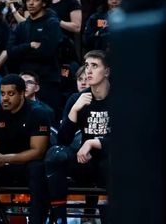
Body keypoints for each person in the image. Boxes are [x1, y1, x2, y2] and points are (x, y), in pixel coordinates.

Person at [0, 74, 51, 224]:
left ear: (22, 94)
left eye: (11, 94)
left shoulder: (38, 113)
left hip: (27, 164)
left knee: (38, 168)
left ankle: (36, 221)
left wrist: (5, 158)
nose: (5, 98)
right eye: (2, 94)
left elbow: (38, 151)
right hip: (3, 164)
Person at [46, 50, 111, 224]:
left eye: (94, 66)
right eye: (87, 65)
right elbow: (63, 141)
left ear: (107, 72)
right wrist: (74, 110)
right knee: (55, 154)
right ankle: (60, 220)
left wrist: (93, 142)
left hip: (112, 162)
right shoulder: (77, 98)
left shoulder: (119, 98)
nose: (88, 71)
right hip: (86, 162)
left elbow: (125, 139)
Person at [7, 0, 62, 118]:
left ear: (43, 2)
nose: (30, 3)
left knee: (48, 122)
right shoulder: (21, 27)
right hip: (24, 84)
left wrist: (22, 51)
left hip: (47, 82)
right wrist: (29, 46)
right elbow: (10, 52)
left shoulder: (52, 23)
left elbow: (46, 52)